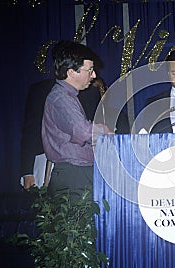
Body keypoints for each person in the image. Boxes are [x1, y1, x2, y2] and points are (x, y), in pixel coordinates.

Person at [41, 40, 110, 197]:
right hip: (73, 174)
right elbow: (83, 132)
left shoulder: (66, 96)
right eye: (89, 70)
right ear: (71, 72)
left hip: (76, 172)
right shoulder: (61, 99)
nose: (94, 75)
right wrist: (106, 131)